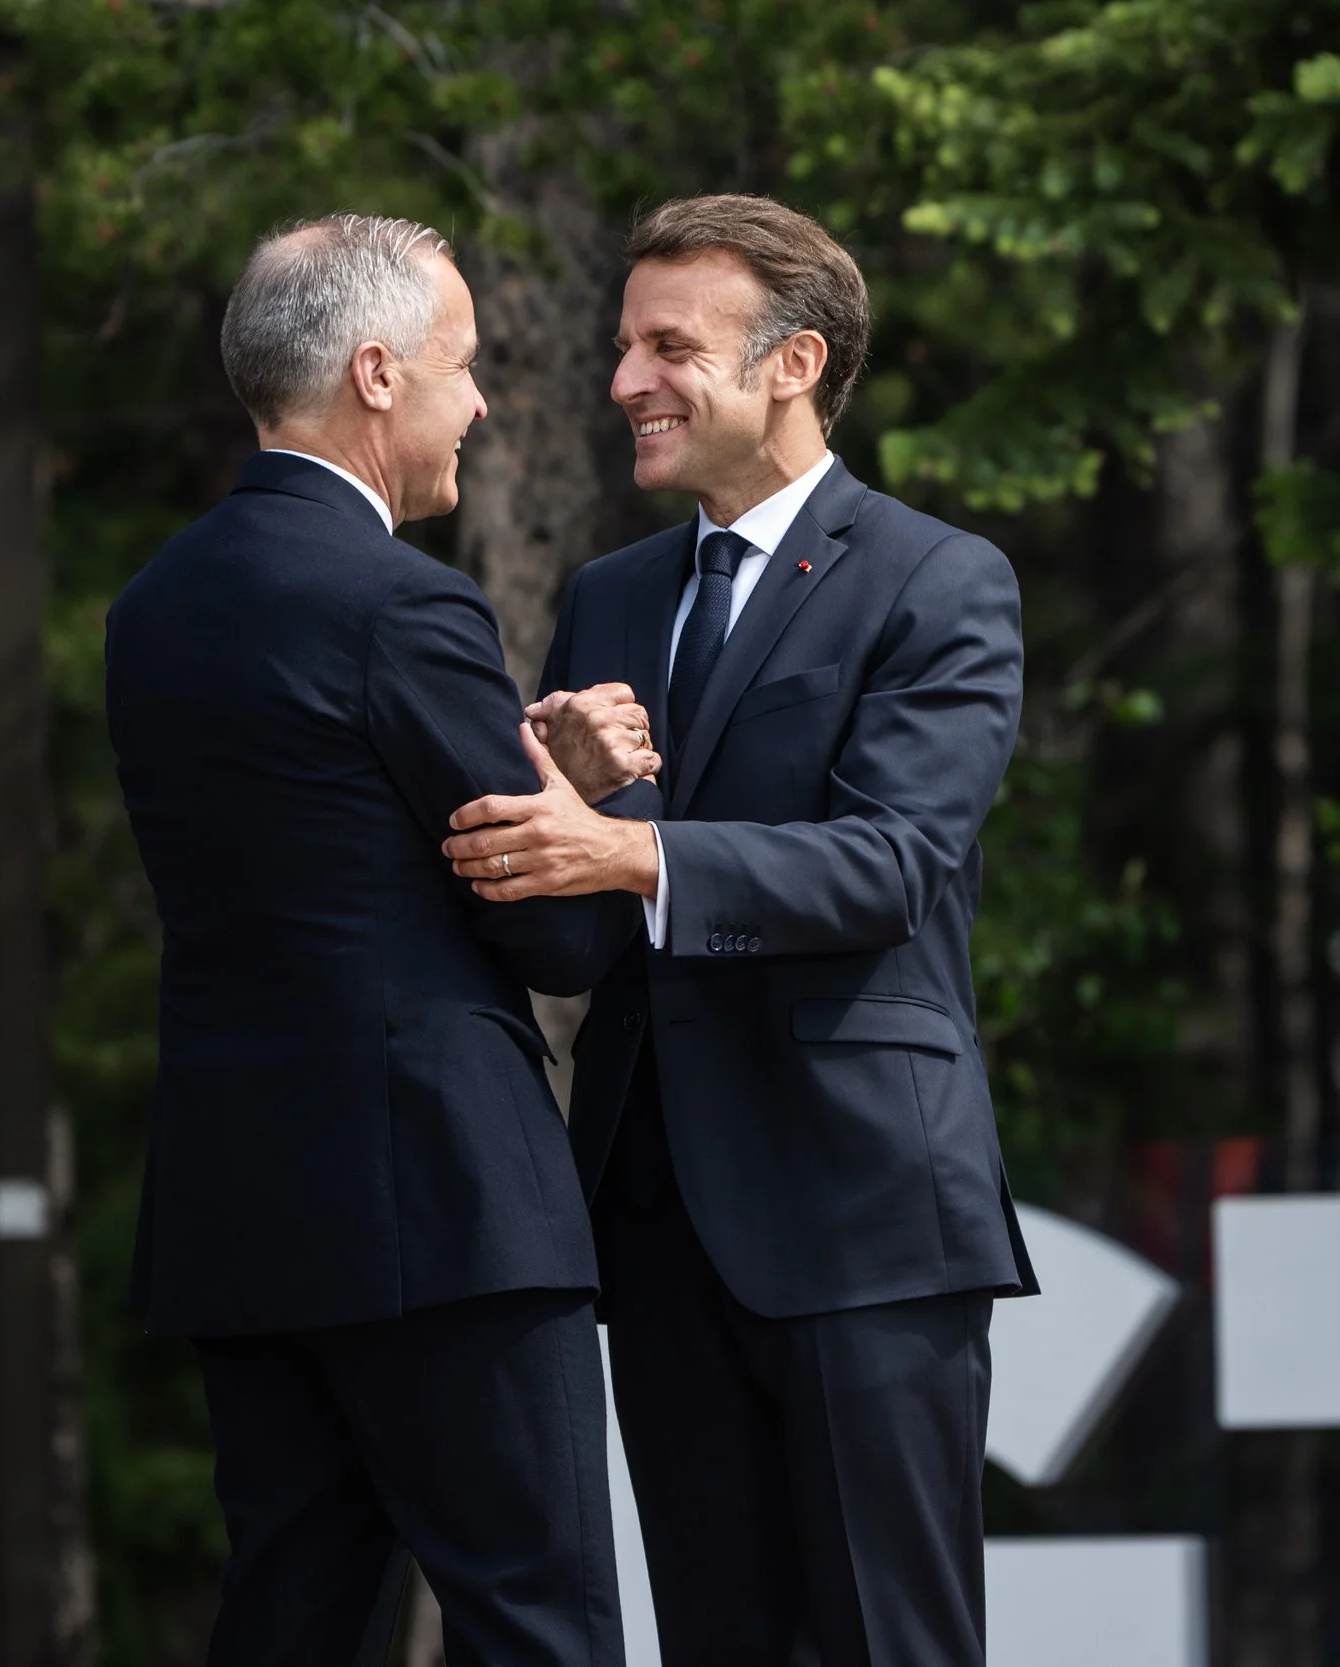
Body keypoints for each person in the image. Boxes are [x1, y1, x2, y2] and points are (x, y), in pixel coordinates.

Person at [441, 194, 1037, 1667]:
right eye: (622, 345)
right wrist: (562, 804)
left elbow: (888, 866)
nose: (625, 380)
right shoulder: (608, 597)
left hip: (864, 1220)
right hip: (655, 1222)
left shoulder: (937, 579)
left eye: (667, 345)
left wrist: (627, 846)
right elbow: (577, 934)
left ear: (794, 362)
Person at [105, 214, 650, 1667]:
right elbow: (571, 937)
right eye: (462, 366)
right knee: (539, 1622)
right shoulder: (403, 604)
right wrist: (597, 797)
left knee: (291, 1620)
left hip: (243, 1212)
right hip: (447, 1211)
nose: (480, 401)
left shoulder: (152, 611)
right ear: (376, 375)